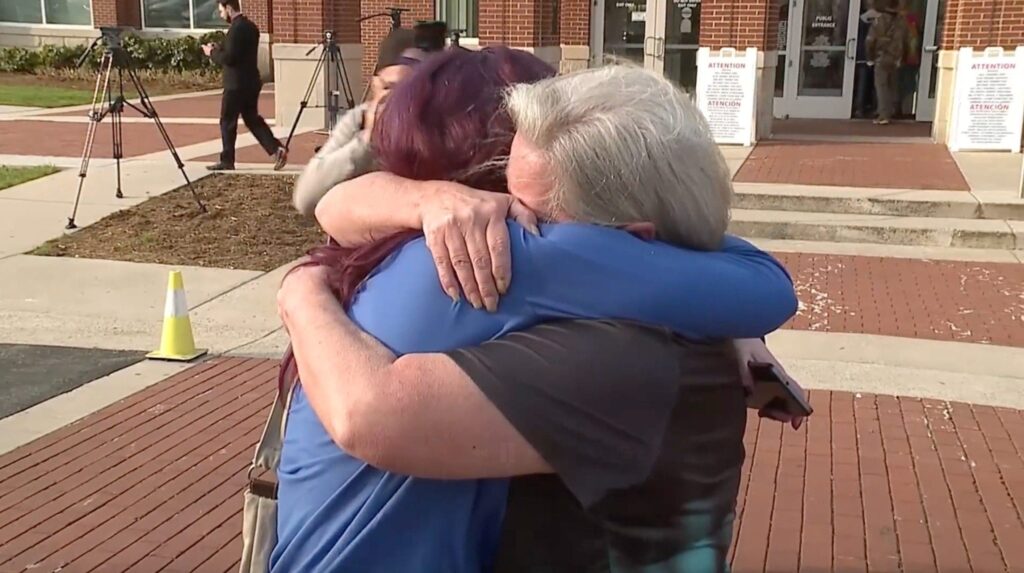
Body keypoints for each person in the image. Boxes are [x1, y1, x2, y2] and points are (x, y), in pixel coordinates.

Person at [273, 53, 798, 573]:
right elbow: (767, 287)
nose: (510, 210)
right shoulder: (499, 257)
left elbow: (330, 206)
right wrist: (719, 318)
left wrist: (303, 285)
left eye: (527, 206)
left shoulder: (398, 255)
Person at [292, 29, 424, 217]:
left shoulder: (445, 129)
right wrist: (367, 141)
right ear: (375, 84)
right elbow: (305, 198)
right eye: (389, 87)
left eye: (409, 90)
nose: (397, 101)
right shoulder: (358, 121)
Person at [203, 0, 287, 171]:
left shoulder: (236, 29)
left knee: (227, 121)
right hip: (251, 82)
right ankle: (276, 149)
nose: (221, 15)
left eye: (221, 11)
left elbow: (230, 59)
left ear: (228, 8)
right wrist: (221, 48)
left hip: (236, 84)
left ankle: (227, 160)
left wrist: (211, 52)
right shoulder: (251, 27)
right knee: (252, 119)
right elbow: (239, 53)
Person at [866, 0, 909, 125]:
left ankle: (884, 115)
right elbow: (905, 41)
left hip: (881, 56)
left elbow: (870, 40)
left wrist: (870, 57)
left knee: (881, 87)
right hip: (896, 58)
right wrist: (902, 58)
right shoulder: (902, 22)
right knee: (892, 86)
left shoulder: (878, 21)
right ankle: (893, 110)